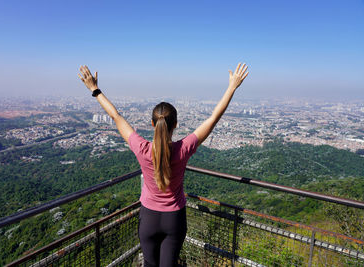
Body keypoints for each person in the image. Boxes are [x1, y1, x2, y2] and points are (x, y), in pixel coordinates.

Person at [78, 63, 248, 266]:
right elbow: (213, 119)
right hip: (174, 218)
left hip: (148, 217)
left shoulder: (142, 149)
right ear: (175, 124)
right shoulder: (183, 149)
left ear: (152, 124)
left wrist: (94, 89)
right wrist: (232, 87)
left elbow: (116, 116)